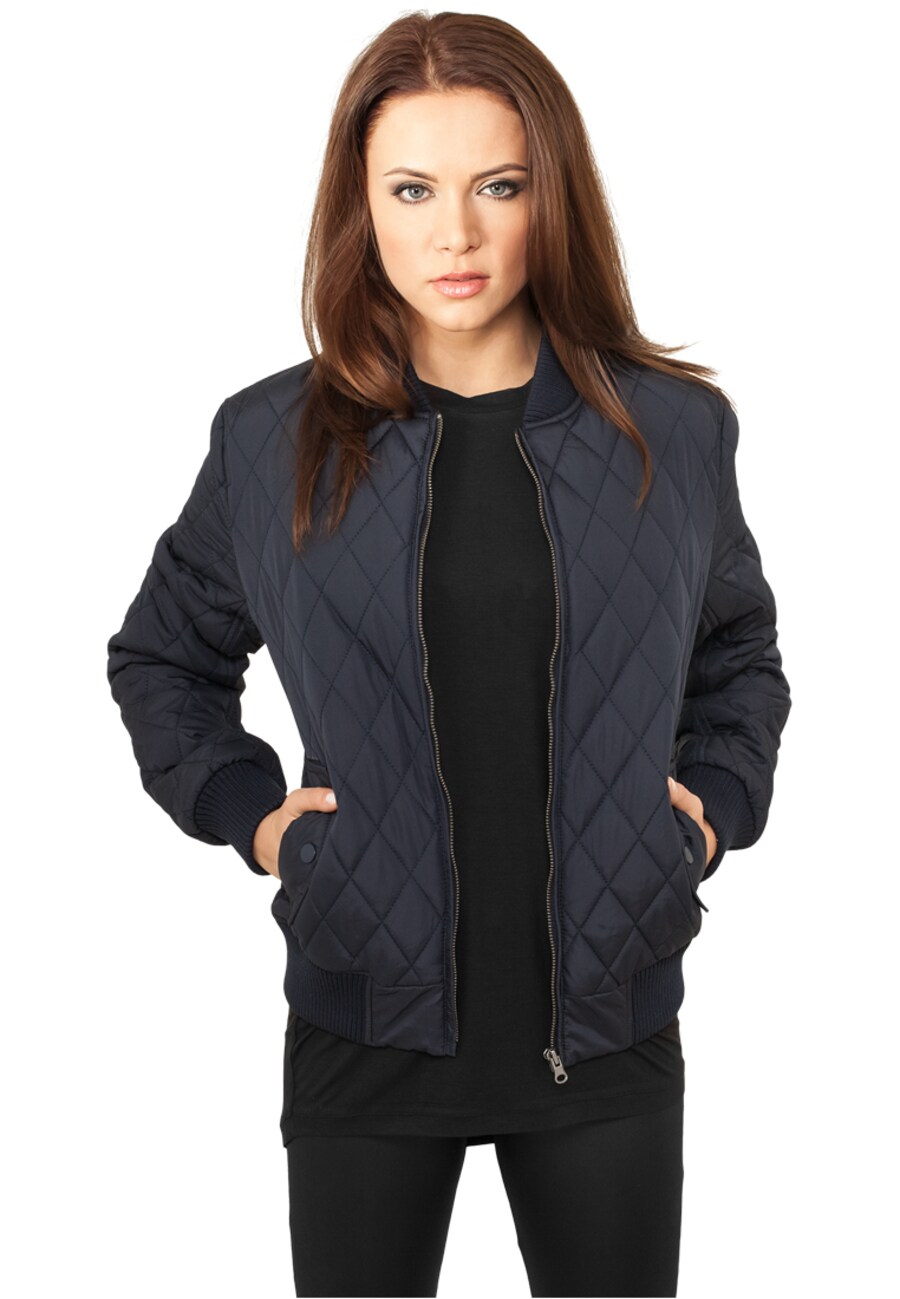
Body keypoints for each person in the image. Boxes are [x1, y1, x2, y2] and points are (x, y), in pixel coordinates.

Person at [106, 11, 792, 1297]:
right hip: (365, 1024)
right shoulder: (271, 440)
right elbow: (164, 660)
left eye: (500, 187)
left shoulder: (672, 430)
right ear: (360, 208)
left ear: (554, 197)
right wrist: (259, 823)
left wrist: (708, 813)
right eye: (413, 190)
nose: (457, 235)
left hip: (608, 1032)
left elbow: (737, 657)